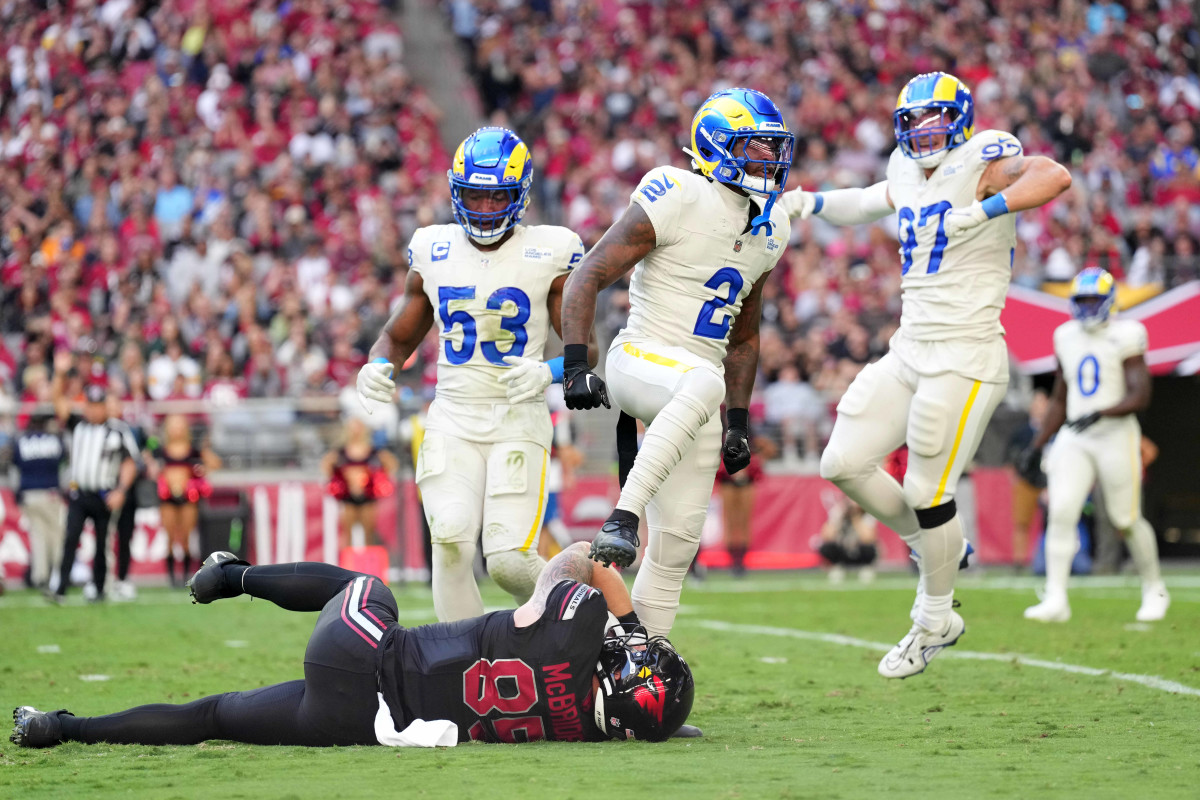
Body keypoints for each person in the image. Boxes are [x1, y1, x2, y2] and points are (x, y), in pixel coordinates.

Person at [777, 72, 1072, 677]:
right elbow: (868, 200)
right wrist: (809, 202)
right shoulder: (906, 169)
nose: (922, 132)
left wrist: (985, 208)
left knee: (928, 491)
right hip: (910, 347)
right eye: (912, 122)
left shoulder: (985, 154)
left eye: (934, 120)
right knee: (842, 462)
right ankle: (933, 547)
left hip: (965, 354)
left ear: (959, 120)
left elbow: (1052, 175)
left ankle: (936, 617)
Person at [10, 542, 694, 748]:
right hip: (359, 724)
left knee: (369, 583)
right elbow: (642, 711)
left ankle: (234, 576)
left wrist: (614, 619)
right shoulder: (595, 733)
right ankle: (60, 729)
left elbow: (581, 560)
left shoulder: (576, 629)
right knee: (215, 716)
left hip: (362, 653)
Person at [558, 87, 794, 639]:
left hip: (700, 392)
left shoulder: (773, 224)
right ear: (714, 147)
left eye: (771, 147)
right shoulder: (678, 192)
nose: (767, 158)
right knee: (701, 381)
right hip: (641, 358)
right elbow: (587, 273)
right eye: (754, 146)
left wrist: (738, 422)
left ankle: (641, 671)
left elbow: (743, 335)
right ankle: (621, 517)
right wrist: (575, 363)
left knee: (678, 544)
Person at [355, 127, 596, 621]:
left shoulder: (550, 250)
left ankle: (592, 619)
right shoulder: (433, 248)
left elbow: (586, 348)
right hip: (453, 417)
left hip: (517, 415)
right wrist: (377, 364)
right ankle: (458, 669)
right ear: (455, 191)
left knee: (508, 561)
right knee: (449, 541)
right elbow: (400, 334)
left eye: (496, 196)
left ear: (520, 195)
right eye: (474, 195)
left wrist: (549, 371)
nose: (485, 207)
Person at [1019, 268, 1168, 623]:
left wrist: (1102, 412)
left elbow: (1140, 395)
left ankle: (1154, 588)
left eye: (1093, 300)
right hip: (1076, 434)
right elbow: (1060, 397)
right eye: (1081, 301)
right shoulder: (1065, 336)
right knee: (1062, 511)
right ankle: (1056, 598)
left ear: (1109, 301)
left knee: (1125, 518)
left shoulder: (1128, 333)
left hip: (1115, 434)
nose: (1087, 308)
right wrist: (1038, 444)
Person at [51, 369, 141, 603]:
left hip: (104, 494)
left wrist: (121, 490)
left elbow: (130, 463)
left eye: (97, 405)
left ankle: (100, 588)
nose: (92, 409)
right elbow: (59, 404)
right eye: (89, 404)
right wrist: (60, 375)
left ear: (105, 406)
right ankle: (60, 587)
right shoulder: (78, 426)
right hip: (79, 493)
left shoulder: (117, 430)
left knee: (103, 544)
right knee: (70, 538)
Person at [147, 414, 221, 588]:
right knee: (170, 538)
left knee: (187, 538)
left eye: (180, 425)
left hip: (189, 497)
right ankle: (172, 579)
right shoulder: (161, 450)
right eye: (173, 425)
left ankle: (187, 575)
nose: (176, 429)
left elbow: (215, 463)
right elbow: (150, 467)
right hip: (167, 498)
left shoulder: (193, 450)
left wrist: (203, 468)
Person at [321, 416, 399, 550]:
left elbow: (391, 463)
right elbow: (326, 464)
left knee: (369, 532)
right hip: (348, 498)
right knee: (347, 534)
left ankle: (368, 565)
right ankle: (347, 566)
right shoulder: (341, 451)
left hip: (368, 497)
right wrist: (338, 479)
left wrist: (380, 479)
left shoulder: (373, 451)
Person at [12, 412, 66, 592]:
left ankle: (39, 576)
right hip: (51, 492)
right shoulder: (54, 440)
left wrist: (17, 493)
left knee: (38, 536)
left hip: (29, 493)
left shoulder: (22, 441)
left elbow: (14, 468)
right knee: (56, 536)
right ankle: (59, 574)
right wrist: (68, 489)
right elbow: (65, 466)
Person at [1006, 390, 1050, 571]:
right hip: (1027, 482)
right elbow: (1009, 457)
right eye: (1037, 404)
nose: (1040, 408)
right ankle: (1019, 561)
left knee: (1054, 521)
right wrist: (1016, 477)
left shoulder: (1053, 429)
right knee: (1021, 523)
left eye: (1043, 404)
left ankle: (1048, 559)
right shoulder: (1022, 432)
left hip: (1049, 483)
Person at [816, 495, 878, 584]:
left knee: (869, 548)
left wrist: (856, 518)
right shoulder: (837, 512)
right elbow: (827, 536)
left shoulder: (867, 515)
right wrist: (838, 517)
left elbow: (868, 538)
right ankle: (836, 567)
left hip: (859, 551)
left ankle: (865, 568)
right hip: (843, 550)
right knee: (826, 547)